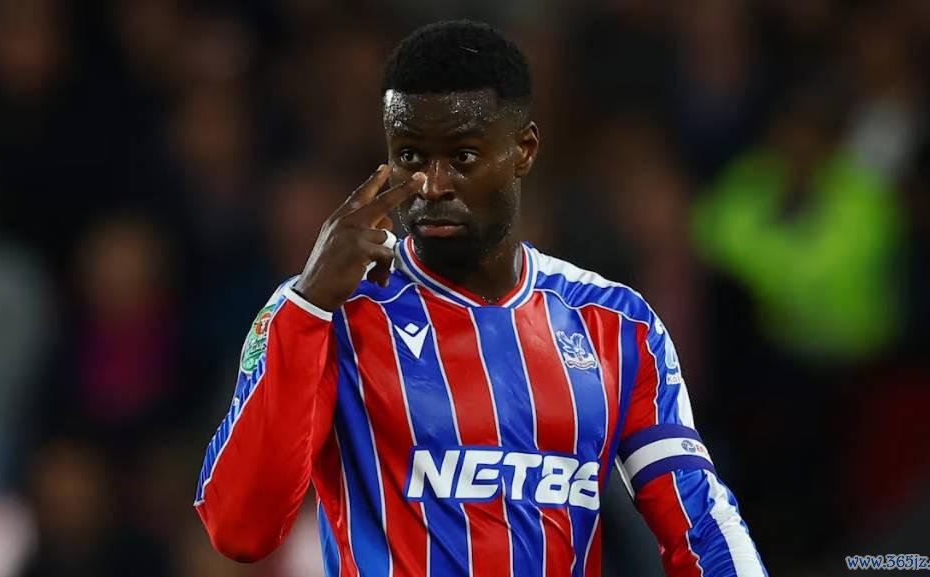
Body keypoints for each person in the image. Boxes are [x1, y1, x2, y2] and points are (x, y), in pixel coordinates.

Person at [194, 20, 766, 577]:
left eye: (462, 157)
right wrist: (308, 305)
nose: (432, 184)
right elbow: (240, 530)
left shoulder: (615, 323)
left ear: (524, 150)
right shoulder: (336, 312)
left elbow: (699, 524)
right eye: (410, 157)